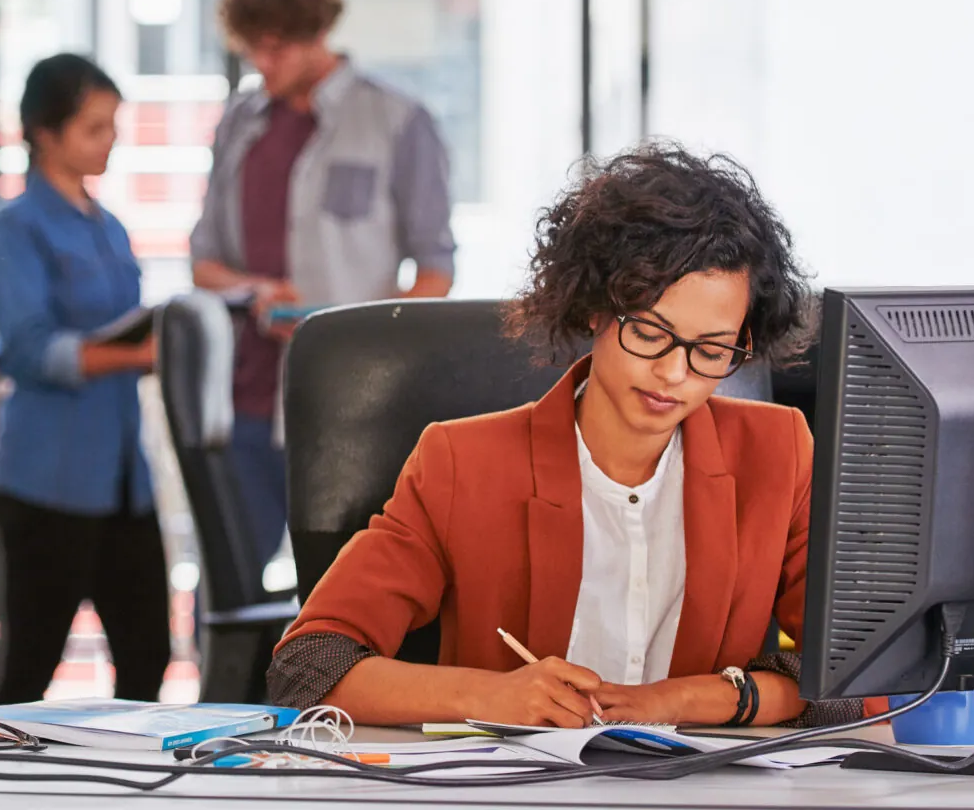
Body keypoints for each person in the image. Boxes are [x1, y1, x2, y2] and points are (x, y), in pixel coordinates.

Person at [267, 144, 832, 729]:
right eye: (648, 333)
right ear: (595, 308)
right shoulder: (463, 463)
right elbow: (307, 666)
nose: (674, 373)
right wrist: (490, 697)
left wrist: (687, 700)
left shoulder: (779, 452)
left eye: (711, 350)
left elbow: (860, 676)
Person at [191, 0, 457, 571]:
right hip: (243, 404)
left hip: (353, 410)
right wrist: (254, 288)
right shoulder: (238, 125)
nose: (263, 63)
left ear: (316, 32)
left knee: (345, 592)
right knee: (229, 592)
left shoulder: (398, 123)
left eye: (276, 48)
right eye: (253, 48)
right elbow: (204, 263)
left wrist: (363, 343)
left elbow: (436, 272)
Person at [0, 54, 171, 704]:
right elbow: (30, 351)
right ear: (44, 133)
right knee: (31, 661)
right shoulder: (14, 228)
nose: (109, 141)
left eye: (113, 126)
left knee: (149, 652)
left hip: (121, 478)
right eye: (94, 128)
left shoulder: (108, 225)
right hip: (45, 478)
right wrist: (139, 357)